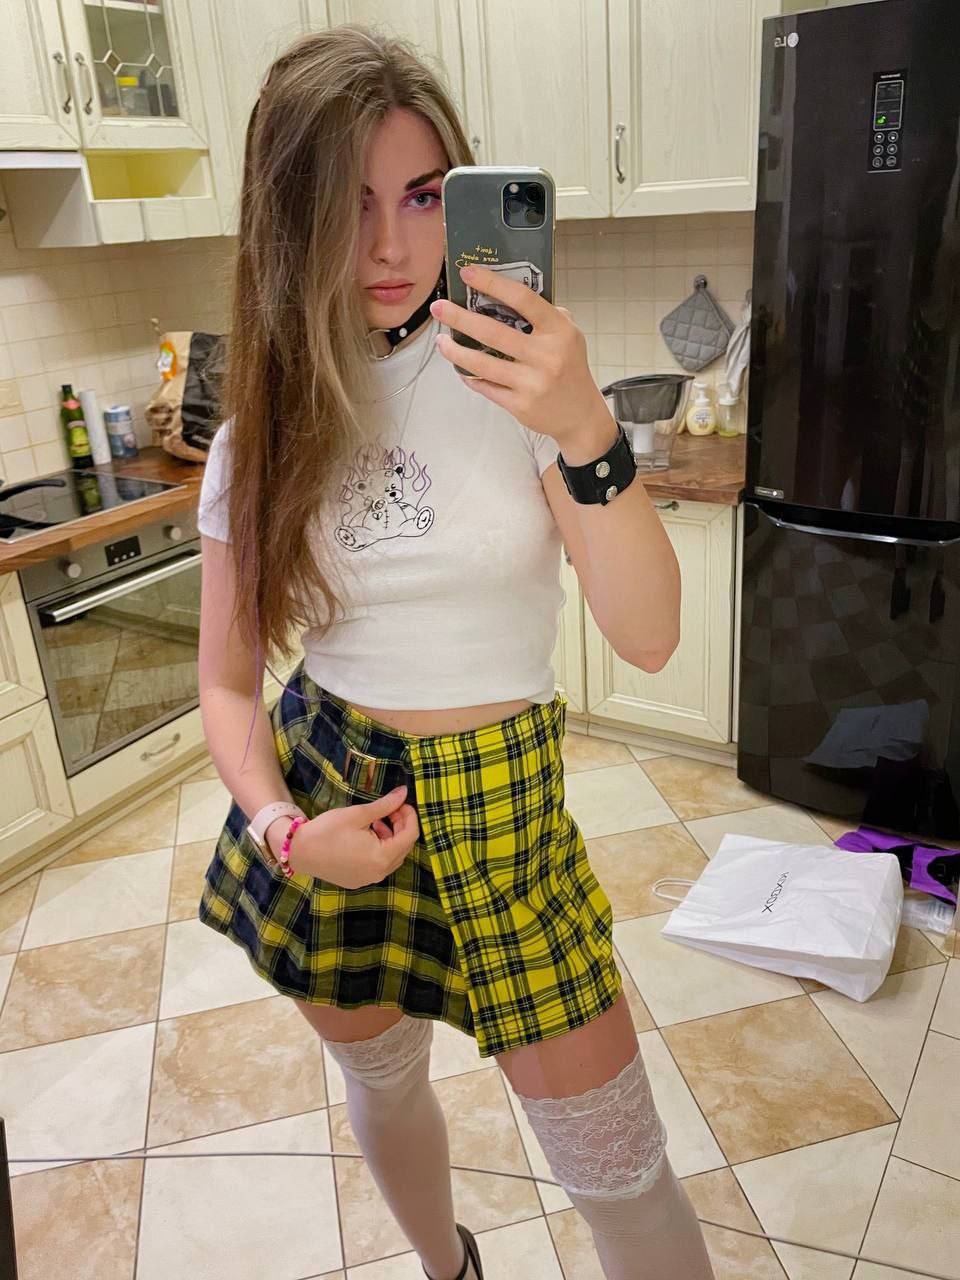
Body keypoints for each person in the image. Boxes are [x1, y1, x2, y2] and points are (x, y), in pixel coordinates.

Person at [196, 24, 714, 1280]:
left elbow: (650, 637)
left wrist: (586, 427)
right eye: (348, 203)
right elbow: (225, 679)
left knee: (622, 1172)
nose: (390, 245)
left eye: (423, 197)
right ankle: (449, 1269)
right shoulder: (263, 430)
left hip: (507, 809)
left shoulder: (522, 384)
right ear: (287, 218)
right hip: (333, 794)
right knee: (383, 1086)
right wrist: (280, 827)